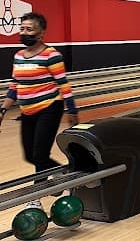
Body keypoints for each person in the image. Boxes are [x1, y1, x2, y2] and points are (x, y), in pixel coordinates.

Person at [0, 13, 78, 211]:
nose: (24, 33)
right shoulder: (18, 56)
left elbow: (63, 84)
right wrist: (3, 109)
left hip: (50, 108)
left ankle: (36, 198)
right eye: (22, 29)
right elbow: (15, 84)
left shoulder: (51, 55)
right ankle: (61, 173)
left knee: (40, 153)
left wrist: (72, 110)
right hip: (27, 110)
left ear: (41, 33)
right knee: (30, 154)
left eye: (29, 29)